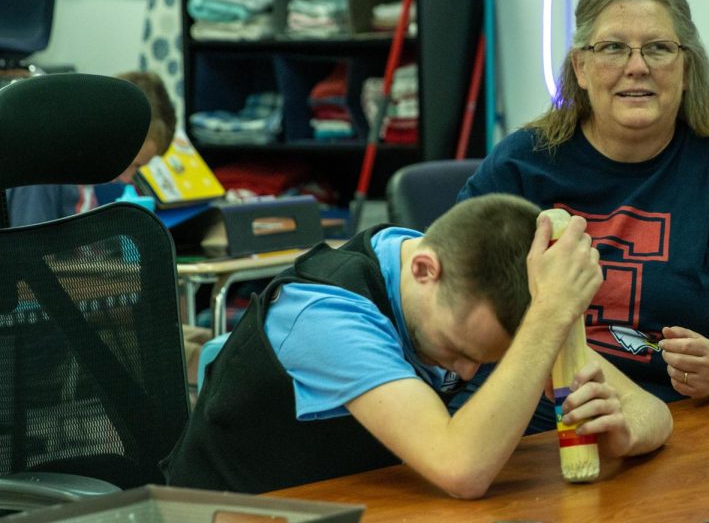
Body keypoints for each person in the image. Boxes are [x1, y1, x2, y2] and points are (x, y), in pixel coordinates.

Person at [453, 0, 709, 426]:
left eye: (659, 48)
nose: (637, 66)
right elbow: (450, 305)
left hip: (671, 425)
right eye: (612, 47)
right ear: (580, 69)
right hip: (533, 422)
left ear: (687, 68)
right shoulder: (522, 162)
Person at [162, 193, 672, 497]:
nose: (467, 375)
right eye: (457, 351)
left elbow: (653, 410)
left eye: (486, 359)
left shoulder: (463, 290)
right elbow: (461, 469)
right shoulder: (322, 313)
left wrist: (622, 433)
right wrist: (548, 319)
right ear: (424, 270)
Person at [4, 70, 176, 226]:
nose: (127, 179)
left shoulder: (85, 179)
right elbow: (31, 255)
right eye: (131, 164)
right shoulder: (41, 178)